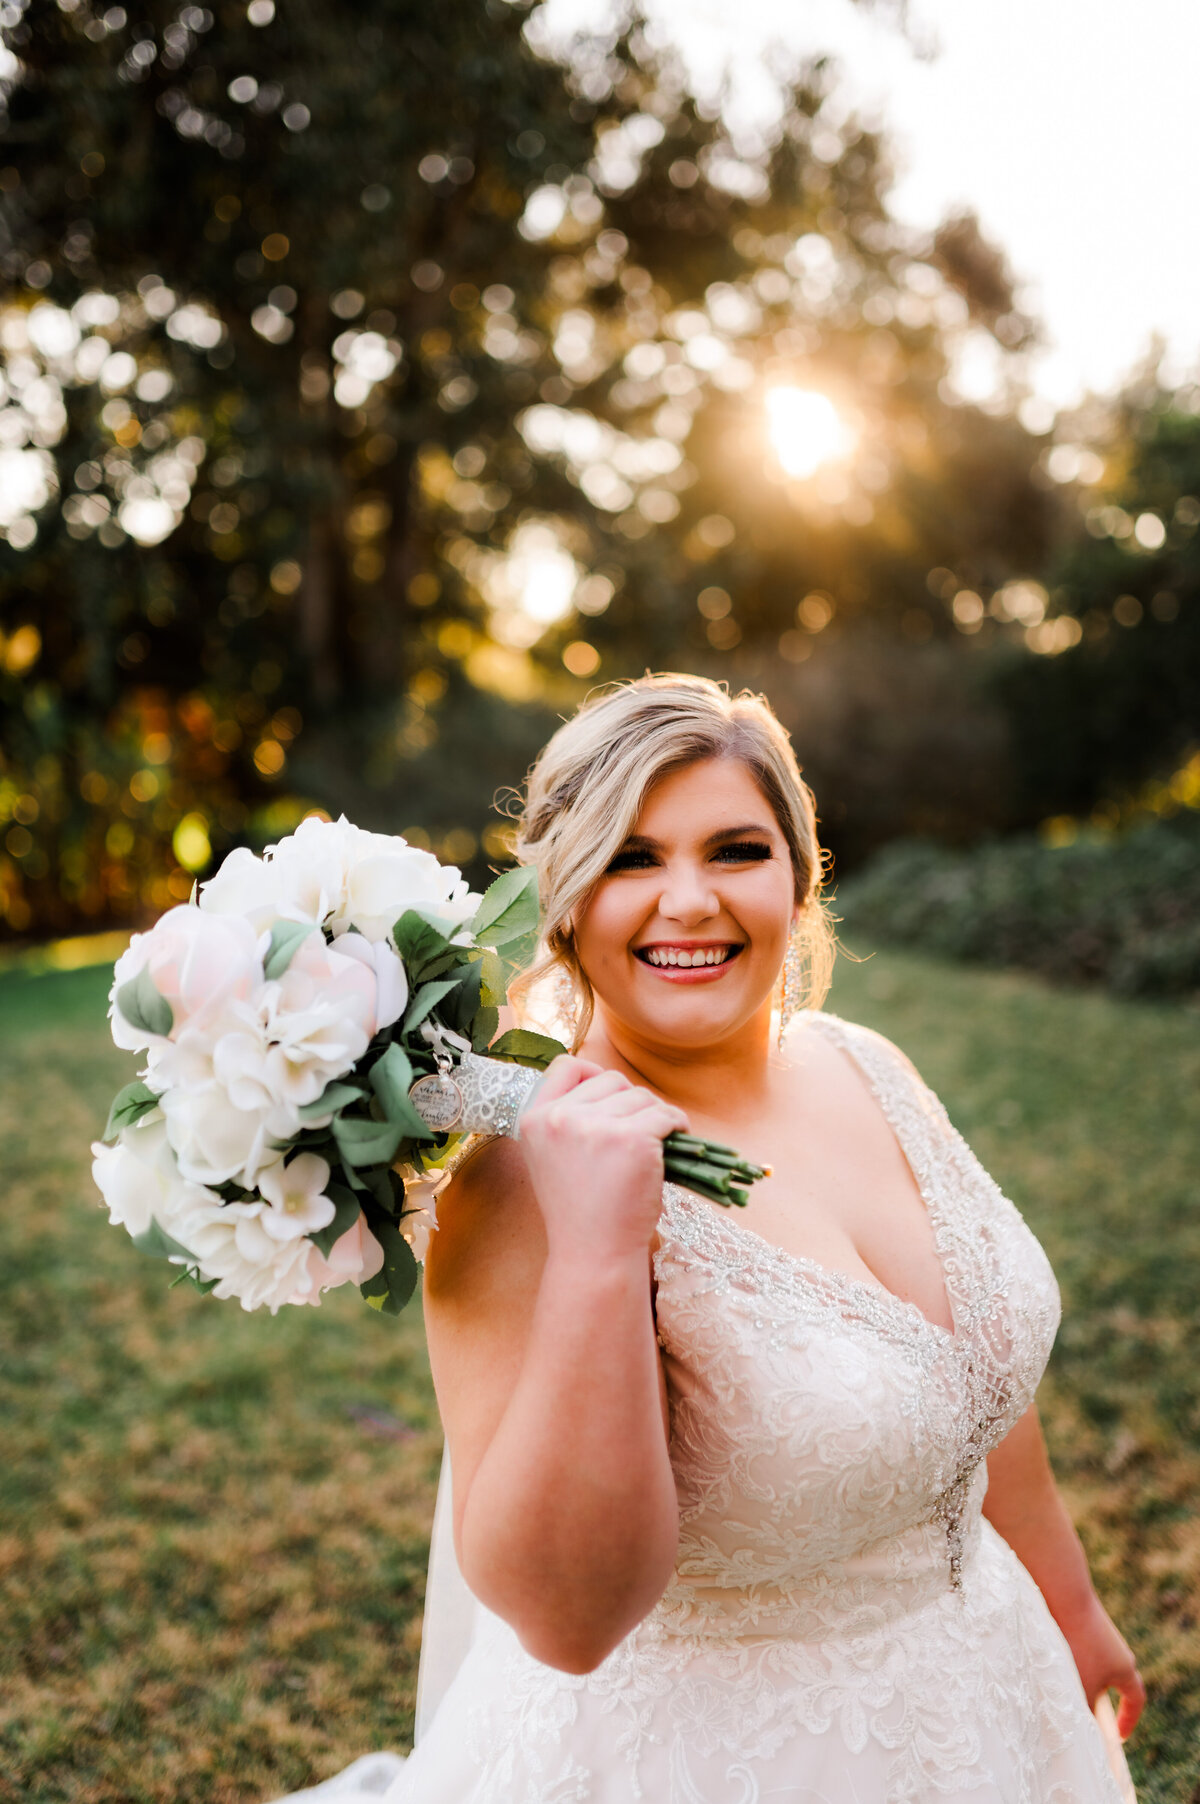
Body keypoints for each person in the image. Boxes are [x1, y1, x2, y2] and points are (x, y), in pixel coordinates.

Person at [272, 673, 1142, 1803]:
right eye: (633, 858)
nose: (688, 900)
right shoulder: (521, 1186)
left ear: (800, 871)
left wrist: (1071, 1604)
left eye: (736, 848)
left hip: (992, 1694)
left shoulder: (867, 1064)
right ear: (566, 898)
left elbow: (976, 1382)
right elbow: (566, 1618)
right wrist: (596, 1251)